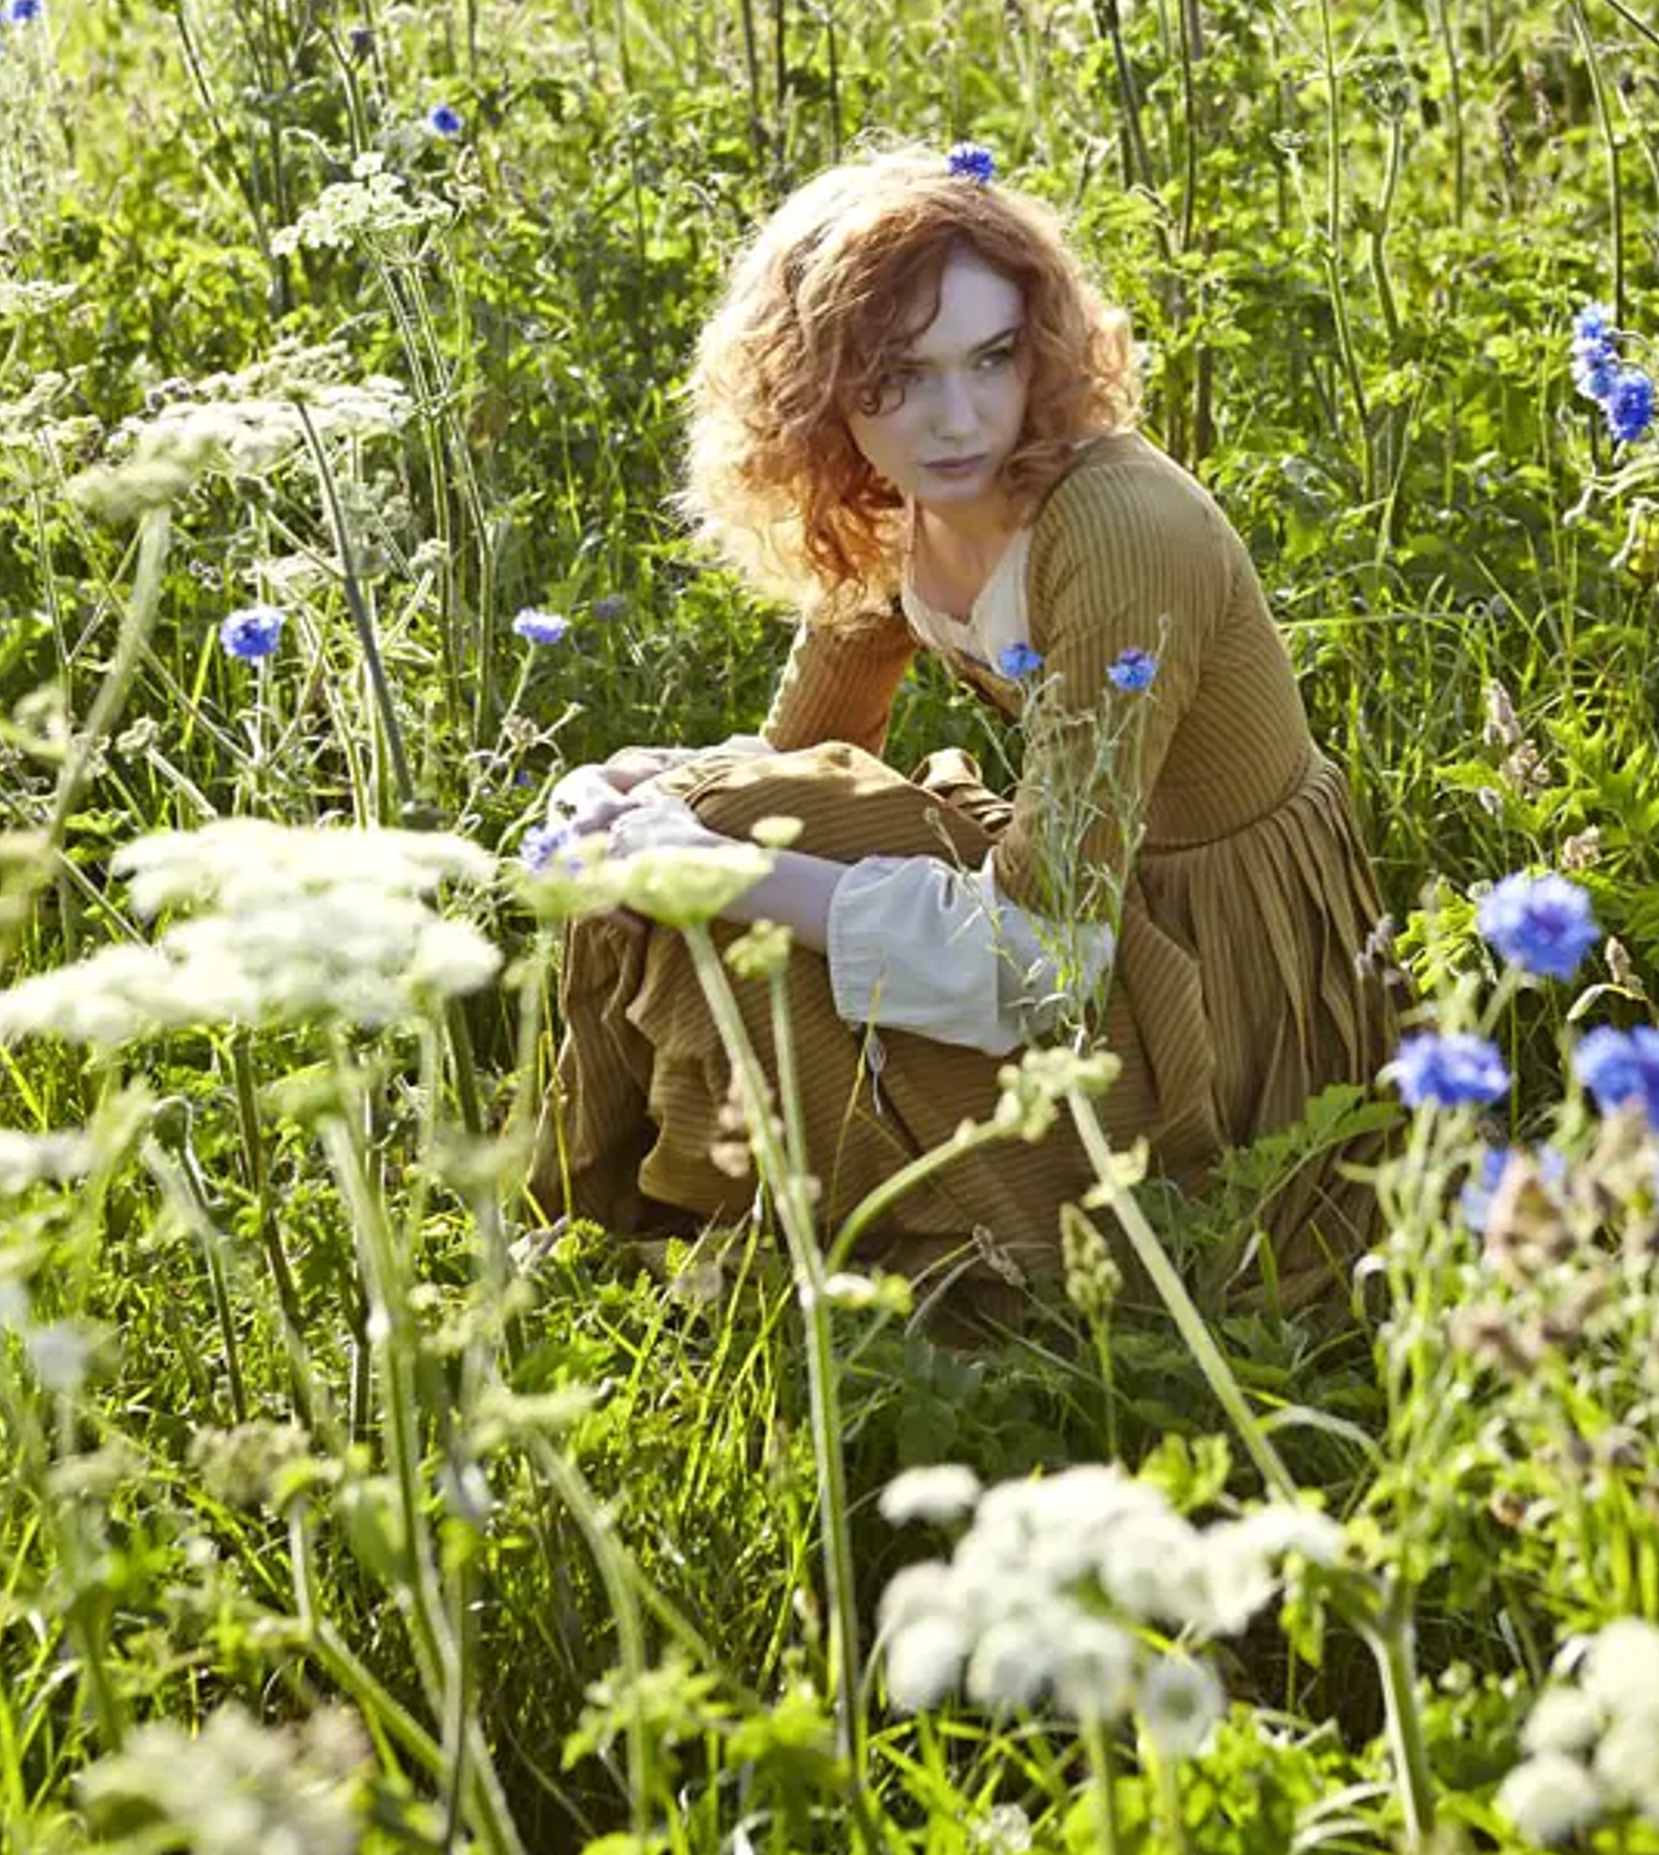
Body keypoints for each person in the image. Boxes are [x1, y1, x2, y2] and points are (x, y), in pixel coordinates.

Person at [523, 142, 1397, 1308]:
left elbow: (1042, 961)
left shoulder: (1121, 529)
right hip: (1086, 898)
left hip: (1219, 992)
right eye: (901, 374)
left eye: (992, 359)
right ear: (819, 386)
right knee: (673, 830)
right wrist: (647, 798)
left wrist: (712, 862)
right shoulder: (904, 509)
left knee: (715, 862)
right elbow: (789, 766)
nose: (958, 416)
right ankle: (605, 1224)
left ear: (1038, 348)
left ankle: (691, 1228)